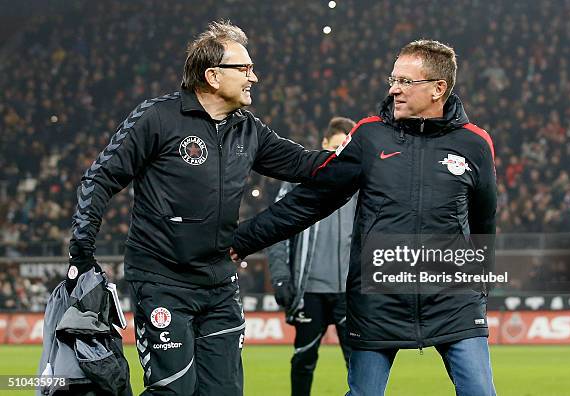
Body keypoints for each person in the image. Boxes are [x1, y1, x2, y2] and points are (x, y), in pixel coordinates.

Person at [66, 20, 329, 396]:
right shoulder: (157, 117)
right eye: (245, 68)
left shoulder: (249, 130)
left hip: (220, 284)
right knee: (174, 391)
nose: (254, 77)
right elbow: (100, 178)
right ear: (213, 75)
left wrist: (357, 155)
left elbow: (307, 164)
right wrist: (82, 251)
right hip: (162, 281)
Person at [232, 40, 497, 396]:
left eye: (406, 80)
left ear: (438, 89)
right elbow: (312, 200)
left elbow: (484, 222)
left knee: (480, 392)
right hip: (379, 298)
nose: (393, 88)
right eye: (393, 78)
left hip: (453, 300)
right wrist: (242, 240)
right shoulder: (370, 135)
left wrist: (480, 285)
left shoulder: (475, 143)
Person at [268, 117, 357, 396]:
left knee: (359, 364)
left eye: (343, 150)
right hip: (310, 291)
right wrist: (281, 277)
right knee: (304, 361)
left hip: (349, 292)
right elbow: (276, 232)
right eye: (333, 149)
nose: (337, 156)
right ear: (322, 145)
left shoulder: (361, 186)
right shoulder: (300, 182)